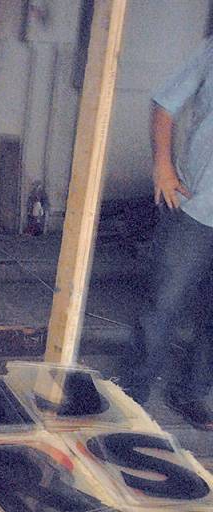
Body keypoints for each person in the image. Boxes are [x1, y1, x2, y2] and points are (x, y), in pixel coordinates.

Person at [121, 37, 213, 429]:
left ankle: (191, 393)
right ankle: (131, 396)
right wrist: (162, 166)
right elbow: (165, 102)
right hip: (195, 207)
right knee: (163, 304)